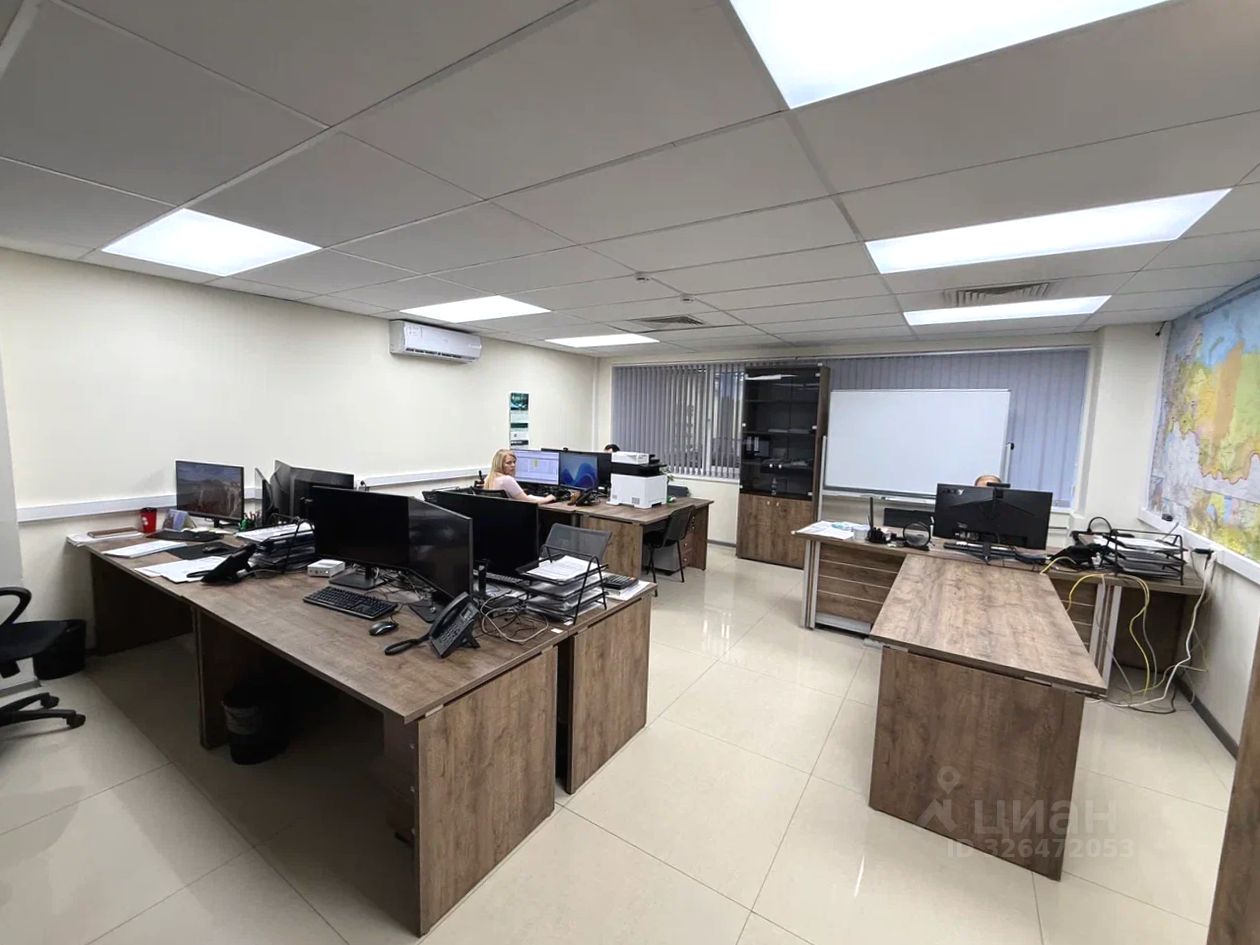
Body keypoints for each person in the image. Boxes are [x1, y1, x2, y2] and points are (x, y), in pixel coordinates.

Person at [485, 449, 555, 504]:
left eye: (514, 462)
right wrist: (548, 498)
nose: (513, 465)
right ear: (500, 464)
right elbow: (528, 502)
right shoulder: (507, 480)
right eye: (509, 463)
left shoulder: (489, 478)